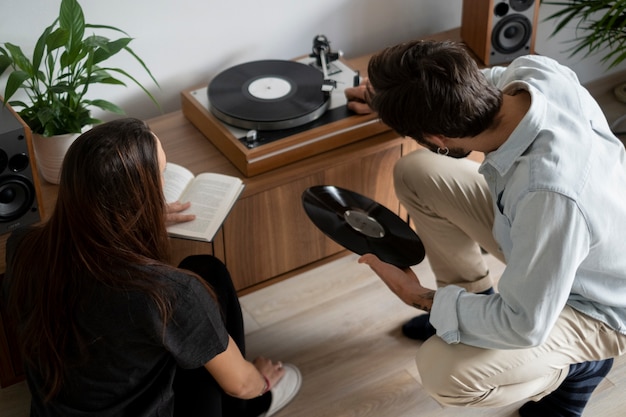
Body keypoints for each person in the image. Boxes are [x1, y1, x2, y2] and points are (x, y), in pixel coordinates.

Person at [345, 40, 626, 416]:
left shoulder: (549, 194)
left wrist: (419, 296)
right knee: (416, 172)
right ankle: (470, 294)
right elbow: (460, 85)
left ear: (435, 139)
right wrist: (387, 99)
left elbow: (523, 323)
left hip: (599, 302)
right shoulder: (534, 74)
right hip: (557, 231)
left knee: (444, 371)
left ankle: (578, 368)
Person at [2, 118, 301, 417]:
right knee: (208, 291)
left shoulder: (22, 246)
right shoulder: (170, 294)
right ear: (136, 196)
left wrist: (132, 217)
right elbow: (240, 385)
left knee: (205, 271)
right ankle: (249, 410)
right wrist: (258, 380)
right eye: (160, 174)